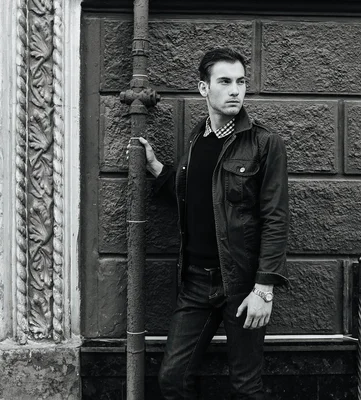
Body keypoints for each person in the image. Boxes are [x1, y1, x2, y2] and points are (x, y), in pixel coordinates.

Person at [128, 47, 289, 399]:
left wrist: (264, 289)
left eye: (241, 82)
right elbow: (196, 196)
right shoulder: (197, 139)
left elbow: (276, 219)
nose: (236, 90)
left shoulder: (264, 143)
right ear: (204, 89)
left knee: (246, 386)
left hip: (242, 283)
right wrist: (157, 169)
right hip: (196, 282)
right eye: (225, 82)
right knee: (173, 378)